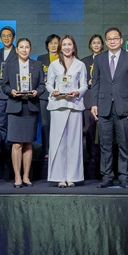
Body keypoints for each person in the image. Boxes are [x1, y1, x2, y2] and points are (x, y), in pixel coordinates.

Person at [91, 27, 128, 189]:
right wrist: (94, 104)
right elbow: (95, 83)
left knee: (124, 145)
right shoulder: (99, 59)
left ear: (121, 40)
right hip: (104, 107)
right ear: (106, 42)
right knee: (105, 145)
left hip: (125, 107)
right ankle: (107, 176)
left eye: (115, 38)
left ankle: (124, 177)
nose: (112, 41)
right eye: (109, 39)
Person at [46, 35, 88, 188]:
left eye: (69, 44)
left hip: (74, 105)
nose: (67, 47)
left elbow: (84, 85)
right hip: (58, 106)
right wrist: (54, 91)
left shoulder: (80, 65)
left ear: (74, 47)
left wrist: (77, 93)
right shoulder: (54, 65)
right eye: (64, 45)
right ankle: (59, 177)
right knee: (58, 143)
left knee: (73, 143)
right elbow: (48, 84)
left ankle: (72, 177)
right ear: (60, 47)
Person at [3, 37, 45, 188]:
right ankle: (17, 177)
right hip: (15, 108)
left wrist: (36, 92)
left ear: (31, 50)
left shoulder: (37, 65)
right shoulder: (9, 65)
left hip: (31, 107)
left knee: (28, 144)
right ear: (17, 49)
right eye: (21, 47)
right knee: (16, 144)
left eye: (27, 47)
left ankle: (26, 176)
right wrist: (12, 92)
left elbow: (42, 85)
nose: (24, 50)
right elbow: (4, 85)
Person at [0, 26, 17, 156]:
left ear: (13, 38)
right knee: (0, 123)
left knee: (13, 123)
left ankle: (12, 149)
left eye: (9, 35)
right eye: (3, 36)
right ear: (0, 38)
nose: (6, 38)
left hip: (13, 93)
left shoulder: (18, 52)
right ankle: (0, 148)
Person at [81, 34, 104, 166]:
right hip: (89, 100)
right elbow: (79, 80)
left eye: (98, 42)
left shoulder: (107, 58)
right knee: (90, 130)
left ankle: (103, 156)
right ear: (90, 45)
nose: (96, 45)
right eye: (94, 43)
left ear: (102, 45)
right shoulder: (84, 61)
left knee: (104, 131)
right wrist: (88, 81)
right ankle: (91, 155)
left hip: (104, 99)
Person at [38, 34, 60, 156]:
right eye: (51, 43)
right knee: (45, 124)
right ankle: (46, 149)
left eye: (56, 43)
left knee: (58, 124)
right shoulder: (41, 58)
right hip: (44, 95)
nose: (53, 45)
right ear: (47, 45)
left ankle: (57, 149)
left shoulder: (63, 58)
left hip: (59, 96)